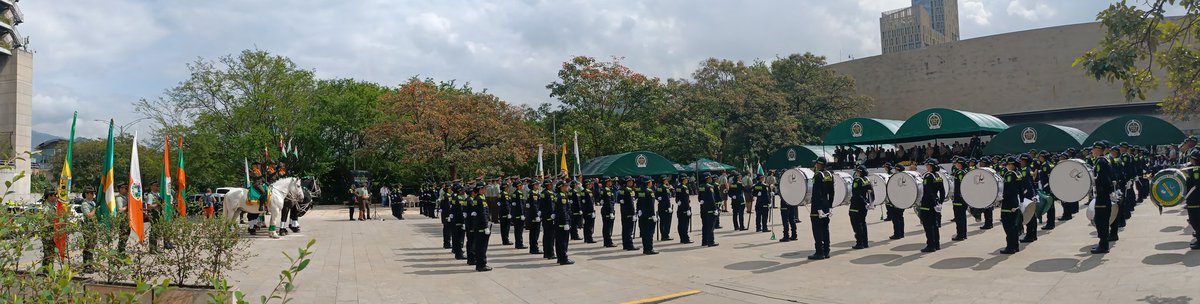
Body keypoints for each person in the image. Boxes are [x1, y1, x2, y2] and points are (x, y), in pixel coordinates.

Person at [809, 159, 834, 259]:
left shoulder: (818, 175)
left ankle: (819, 252)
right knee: (825, 228)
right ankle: (826, 251)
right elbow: (832, 192)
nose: (815, 165)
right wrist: (830, 205)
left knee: (817, 229)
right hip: (826, 204)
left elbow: (816, 192)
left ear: (820, 165)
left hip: (817, 206)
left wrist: (818, 208)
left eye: (816, 163)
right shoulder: (829, 175)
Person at [919, 159, 946, 253]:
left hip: (927, 203)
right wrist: (940, 203)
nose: (926, 167)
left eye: (927, 165)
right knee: (934, 224)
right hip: (936, 203)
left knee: (928, 225)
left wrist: (931, 202)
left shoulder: (928, 176)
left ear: (931, 166)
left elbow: (928, 191)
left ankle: (930, 245)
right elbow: (942, 192)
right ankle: (937, 244)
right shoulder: (938, 176)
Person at [999, 157, 1023, 254]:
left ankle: (1010, 247)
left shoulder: (1010, 174)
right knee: (1014, 225)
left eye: (1008, 164)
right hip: (1015, 202)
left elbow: (1009, 189)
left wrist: (1001, 197)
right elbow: (1020, 189)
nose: (1007, 165)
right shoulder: (1018, 173)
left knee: (1008, 226)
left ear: (1012, 165)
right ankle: (1015, 246)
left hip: (1008, 203)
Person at [849, 166, 873, 249]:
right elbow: (871, 193)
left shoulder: (857, 180)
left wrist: (864, 202)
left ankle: (860, 243)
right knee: (863, 223)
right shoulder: (867, 180)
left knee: (856, 224)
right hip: (864, 206)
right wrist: (869, 203)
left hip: (856, 205)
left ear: (859, 172)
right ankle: (865, 242)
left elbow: (856, 194)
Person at [554, 181, 575, 265]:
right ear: (561, 187)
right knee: (563, 241)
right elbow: (563, 211)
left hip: (559, 221)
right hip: (563, 222)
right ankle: (564, 259)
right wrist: (566, 222)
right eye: (565, 186)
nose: (567, 187)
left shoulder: (558, 195)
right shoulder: (562, 197)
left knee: (559, 241)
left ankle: (560, 258)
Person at [636, 176, 659, 255]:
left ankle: (645, 249)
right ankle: (649, 249)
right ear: (648, 183)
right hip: (649, 216)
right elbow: (651, 205)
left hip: (642, 215)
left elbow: (638, 203)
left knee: (644, 233)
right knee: (649, 233)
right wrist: (653, 215)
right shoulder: (650, 191)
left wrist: (638, 210)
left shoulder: (641, 191)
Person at [78, 187, 98, 272]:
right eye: (91, 193)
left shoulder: (93, 203)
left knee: (92, 247)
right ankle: (86, 266)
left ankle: (90, 264)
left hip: (93, 227)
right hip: (87, 228)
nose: (93, 194)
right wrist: (95, 209)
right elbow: (89, 215)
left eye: (93, 193)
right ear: (86, 194)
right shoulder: (85, 204)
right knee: (88, 247)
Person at [950, 157, 969, 241]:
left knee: (959, 217)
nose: (956, 164)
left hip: (959, 198)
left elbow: (961, 185)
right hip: (963, 198)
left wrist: (958, 196)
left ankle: (960, 235)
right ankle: (963, 234)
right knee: (962, 217)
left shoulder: (960, 172)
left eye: (957, 163)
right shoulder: (965, 172)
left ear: (960, 164)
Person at [1184, 151, 1200, 250]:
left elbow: (1195, 185)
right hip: (1194, 199)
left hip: (1195, 200)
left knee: (1196, 220)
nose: (1190, 160)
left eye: (1191, 159)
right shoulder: (1194, 169)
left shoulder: (1196, 170)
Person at [1037, 152, 1057, 230]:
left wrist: (1046, 187)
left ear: (1043, 157)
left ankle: (1050, 224)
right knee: (1051, 206)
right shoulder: (1050, 164)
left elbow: (1048, 177)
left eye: (1040, 156)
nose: (1039, 158)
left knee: (1050, 206)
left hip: (1047, 187)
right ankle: (1051, 223)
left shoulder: (1045, 165)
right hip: (1049, 187)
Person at [699, 174, 720, 247]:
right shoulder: (709, 187)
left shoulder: (701, 187)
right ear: (707, 179)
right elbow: (712, 199)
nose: (711, 179)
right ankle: (711, 241)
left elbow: (699, 198)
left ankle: (704, 241)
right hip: (710, 209)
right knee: (711, 226)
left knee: (704, 225)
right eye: (710, 178)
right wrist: (715, 209)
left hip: (703, 208)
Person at [619, 177, 639, 251]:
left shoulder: (623, 189)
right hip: (629, 212)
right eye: (629, 181)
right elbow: (630, 204)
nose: (631, 183)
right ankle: (629, 245)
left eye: (631, 181)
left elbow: (620, 199)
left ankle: (625, 244)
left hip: (624, 212)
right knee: (629, 230)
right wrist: (633, 213)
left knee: (625, 229)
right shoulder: (628, 190)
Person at [525, 180, 544, 254]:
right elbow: (534, 205)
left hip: (534, 215)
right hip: (534, 216)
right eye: (537, 184)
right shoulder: (533, 193)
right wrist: (536, 215)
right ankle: (534, 248)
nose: (538, 186)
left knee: (534, 232)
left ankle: (533, 248)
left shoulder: (535, 193)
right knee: (534, 233)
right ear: (533, 185)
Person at [540, 180, 557, 259]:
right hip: (549, 217)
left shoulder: (544, 192)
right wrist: (552, 215)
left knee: (547, 235)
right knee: (550, 235)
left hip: (545, 216)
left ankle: (546, 252)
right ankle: (550, 253)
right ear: (548, 185)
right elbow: (551, 206)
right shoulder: (548, 193)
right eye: (551, 184)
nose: (552, 185)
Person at [449, 183, 467, 260]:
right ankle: (459, 254)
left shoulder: (453, 196)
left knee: (455, 236)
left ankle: (456, 251)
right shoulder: (459, 198)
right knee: (459, 237)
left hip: (454, 218)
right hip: (459, 220)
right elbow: (461, 210)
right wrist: (463, 221)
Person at [674, 176, 694, 244]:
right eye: (686, 179)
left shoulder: (678, 187)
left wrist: (677, 201)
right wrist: (688, 209)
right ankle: (685, 239)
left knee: (680, 224)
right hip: (685, 208)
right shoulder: (685, 188)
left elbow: (677, 197)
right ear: (683, 180)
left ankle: (682, 238)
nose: (687, 180)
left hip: (680, 208)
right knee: (685, 224)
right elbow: (685, 199)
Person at [507, 180, 525, 249]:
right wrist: (522, 214)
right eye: (521, 185)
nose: (522, 186)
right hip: (519, 214)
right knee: (519, 230)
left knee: (517, 230)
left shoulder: (515, 193)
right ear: (518, 186)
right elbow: (520, 205)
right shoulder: (519, 193)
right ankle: (519, 244)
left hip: (515, 214)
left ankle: (518, 243)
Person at [600, 178, 618, 247]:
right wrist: (611, 212)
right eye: (610, 181)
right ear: (607, 182)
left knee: (606, 227)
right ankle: (608, 242)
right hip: (608, 210)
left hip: (605, 210)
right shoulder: (607, 190)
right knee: (608, 227)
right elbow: (609, 202)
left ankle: (606, 241)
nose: (611, 183)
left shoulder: (604, 189)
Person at [656, 176, 674, 241]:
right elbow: (667, 198)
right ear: (664, 180)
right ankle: (665, 235)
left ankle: (663, 235)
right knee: (667, 222)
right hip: (666, 207)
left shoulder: (659, 187)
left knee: (662, 222)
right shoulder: (665, 187)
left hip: (660, 206)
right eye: (666, 180)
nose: (667, 181)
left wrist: (658, 198)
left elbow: (656, 195)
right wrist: (669, 207)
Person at [497, 179, 513, 246]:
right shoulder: (505, 194)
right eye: (507, 187)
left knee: (503, 227)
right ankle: (506, 240)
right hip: (505, 213)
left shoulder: (500, 194)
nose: (508, 188)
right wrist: (509, 212)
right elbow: (506, 205)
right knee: (506, 228)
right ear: (505, 187)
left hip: (501, 213)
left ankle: (505, 239)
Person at [581, 179, 597, 244]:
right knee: (589, 225)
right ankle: (589, 238)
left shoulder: (583, 191)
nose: (591, 185)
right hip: (589, 210)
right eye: (589, 184)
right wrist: (592, 211)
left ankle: (586, 238)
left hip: (585, 210)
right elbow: (590, 203)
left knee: (586, 225)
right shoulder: (587, 192)